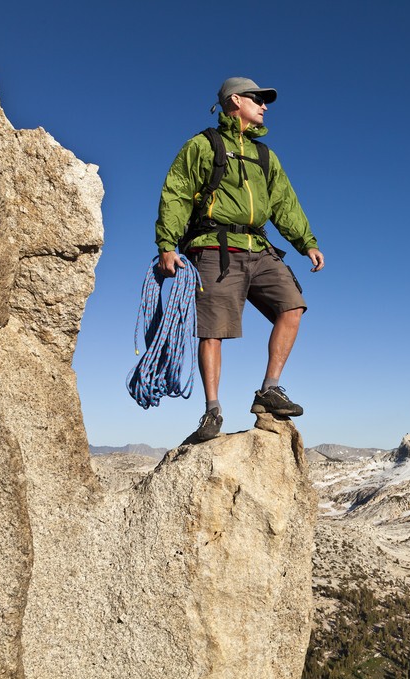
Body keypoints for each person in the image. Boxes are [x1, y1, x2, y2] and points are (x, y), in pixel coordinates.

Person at [154, 76, 324, 444]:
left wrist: (305, 242)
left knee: (292, 307)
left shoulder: (265, 155)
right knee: (213, 330)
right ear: (235, 100)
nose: (264, 106)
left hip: (258, 246)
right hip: (215, 247)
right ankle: (212, 409)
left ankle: (269, 391)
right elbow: (176, 193)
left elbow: (284, 203)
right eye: (257, 99)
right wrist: (167, 246)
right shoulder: (202, 145)